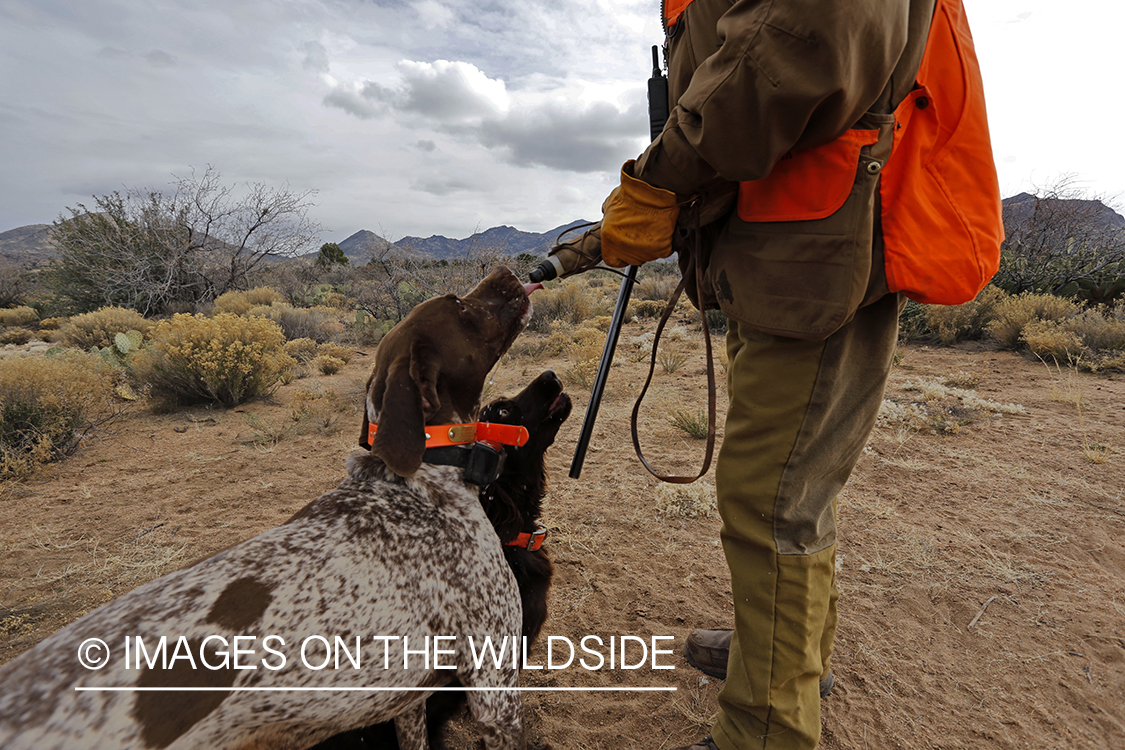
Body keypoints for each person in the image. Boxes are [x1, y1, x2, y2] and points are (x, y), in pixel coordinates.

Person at [543, 1, 1003, 748]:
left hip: (814, 252)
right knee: (789, 489)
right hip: (779, 252)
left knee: (772, 499)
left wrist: (660, 180)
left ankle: (767, 730)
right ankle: (783, 655)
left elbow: (797, 43)